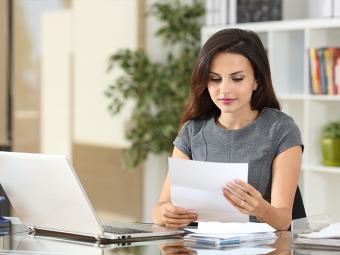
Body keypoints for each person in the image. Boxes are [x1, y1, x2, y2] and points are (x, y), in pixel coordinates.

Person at [152, 28, 305, 231]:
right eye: (215, 79)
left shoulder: (281, 129)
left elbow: (283, 220)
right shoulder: (192, 131)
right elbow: (159, 209)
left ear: (256, 80)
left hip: (263, 248)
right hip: (202, 246)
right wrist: (167, 214)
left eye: (237, 78)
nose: (224, 89)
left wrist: (261, 209)